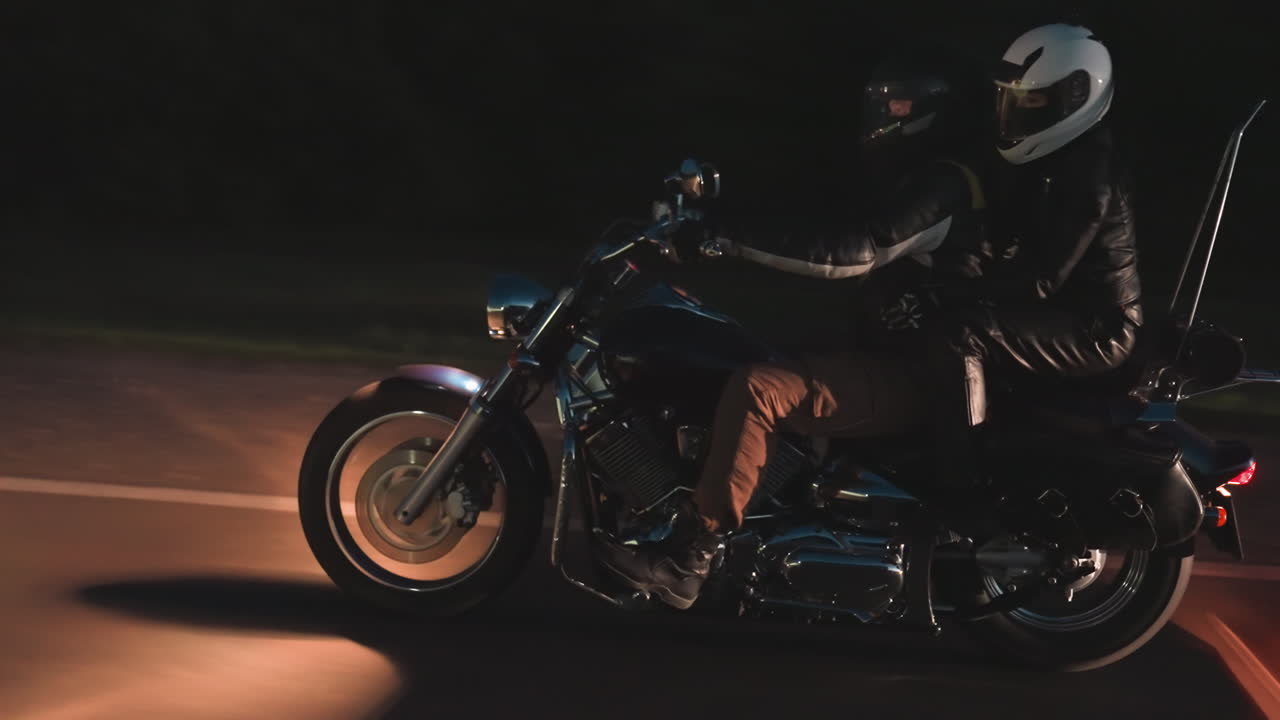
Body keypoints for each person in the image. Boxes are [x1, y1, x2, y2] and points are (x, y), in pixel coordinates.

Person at [597, 50, 992, 610]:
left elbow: (855, 252)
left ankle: (687, 559)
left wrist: (725, 237)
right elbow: (820, 229)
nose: (882, 116)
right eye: (880, 105)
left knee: (759, 388)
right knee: (732, 349)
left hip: (919, 371)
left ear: (932, 112)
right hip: (897, 352)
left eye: (897, 105)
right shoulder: (917, 181)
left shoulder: (941, 187)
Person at [927, 23, 1141, 491]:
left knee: (961, 333)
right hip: (1061, 313)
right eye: (1011, 99)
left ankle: (963, 485)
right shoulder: (1046, 162)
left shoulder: (1090, 174)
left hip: (1097, 328)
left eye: (1034, 101)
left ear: (1077, 97)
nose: (1016, 113)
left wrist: (942, 293)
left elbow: (1040, 279)